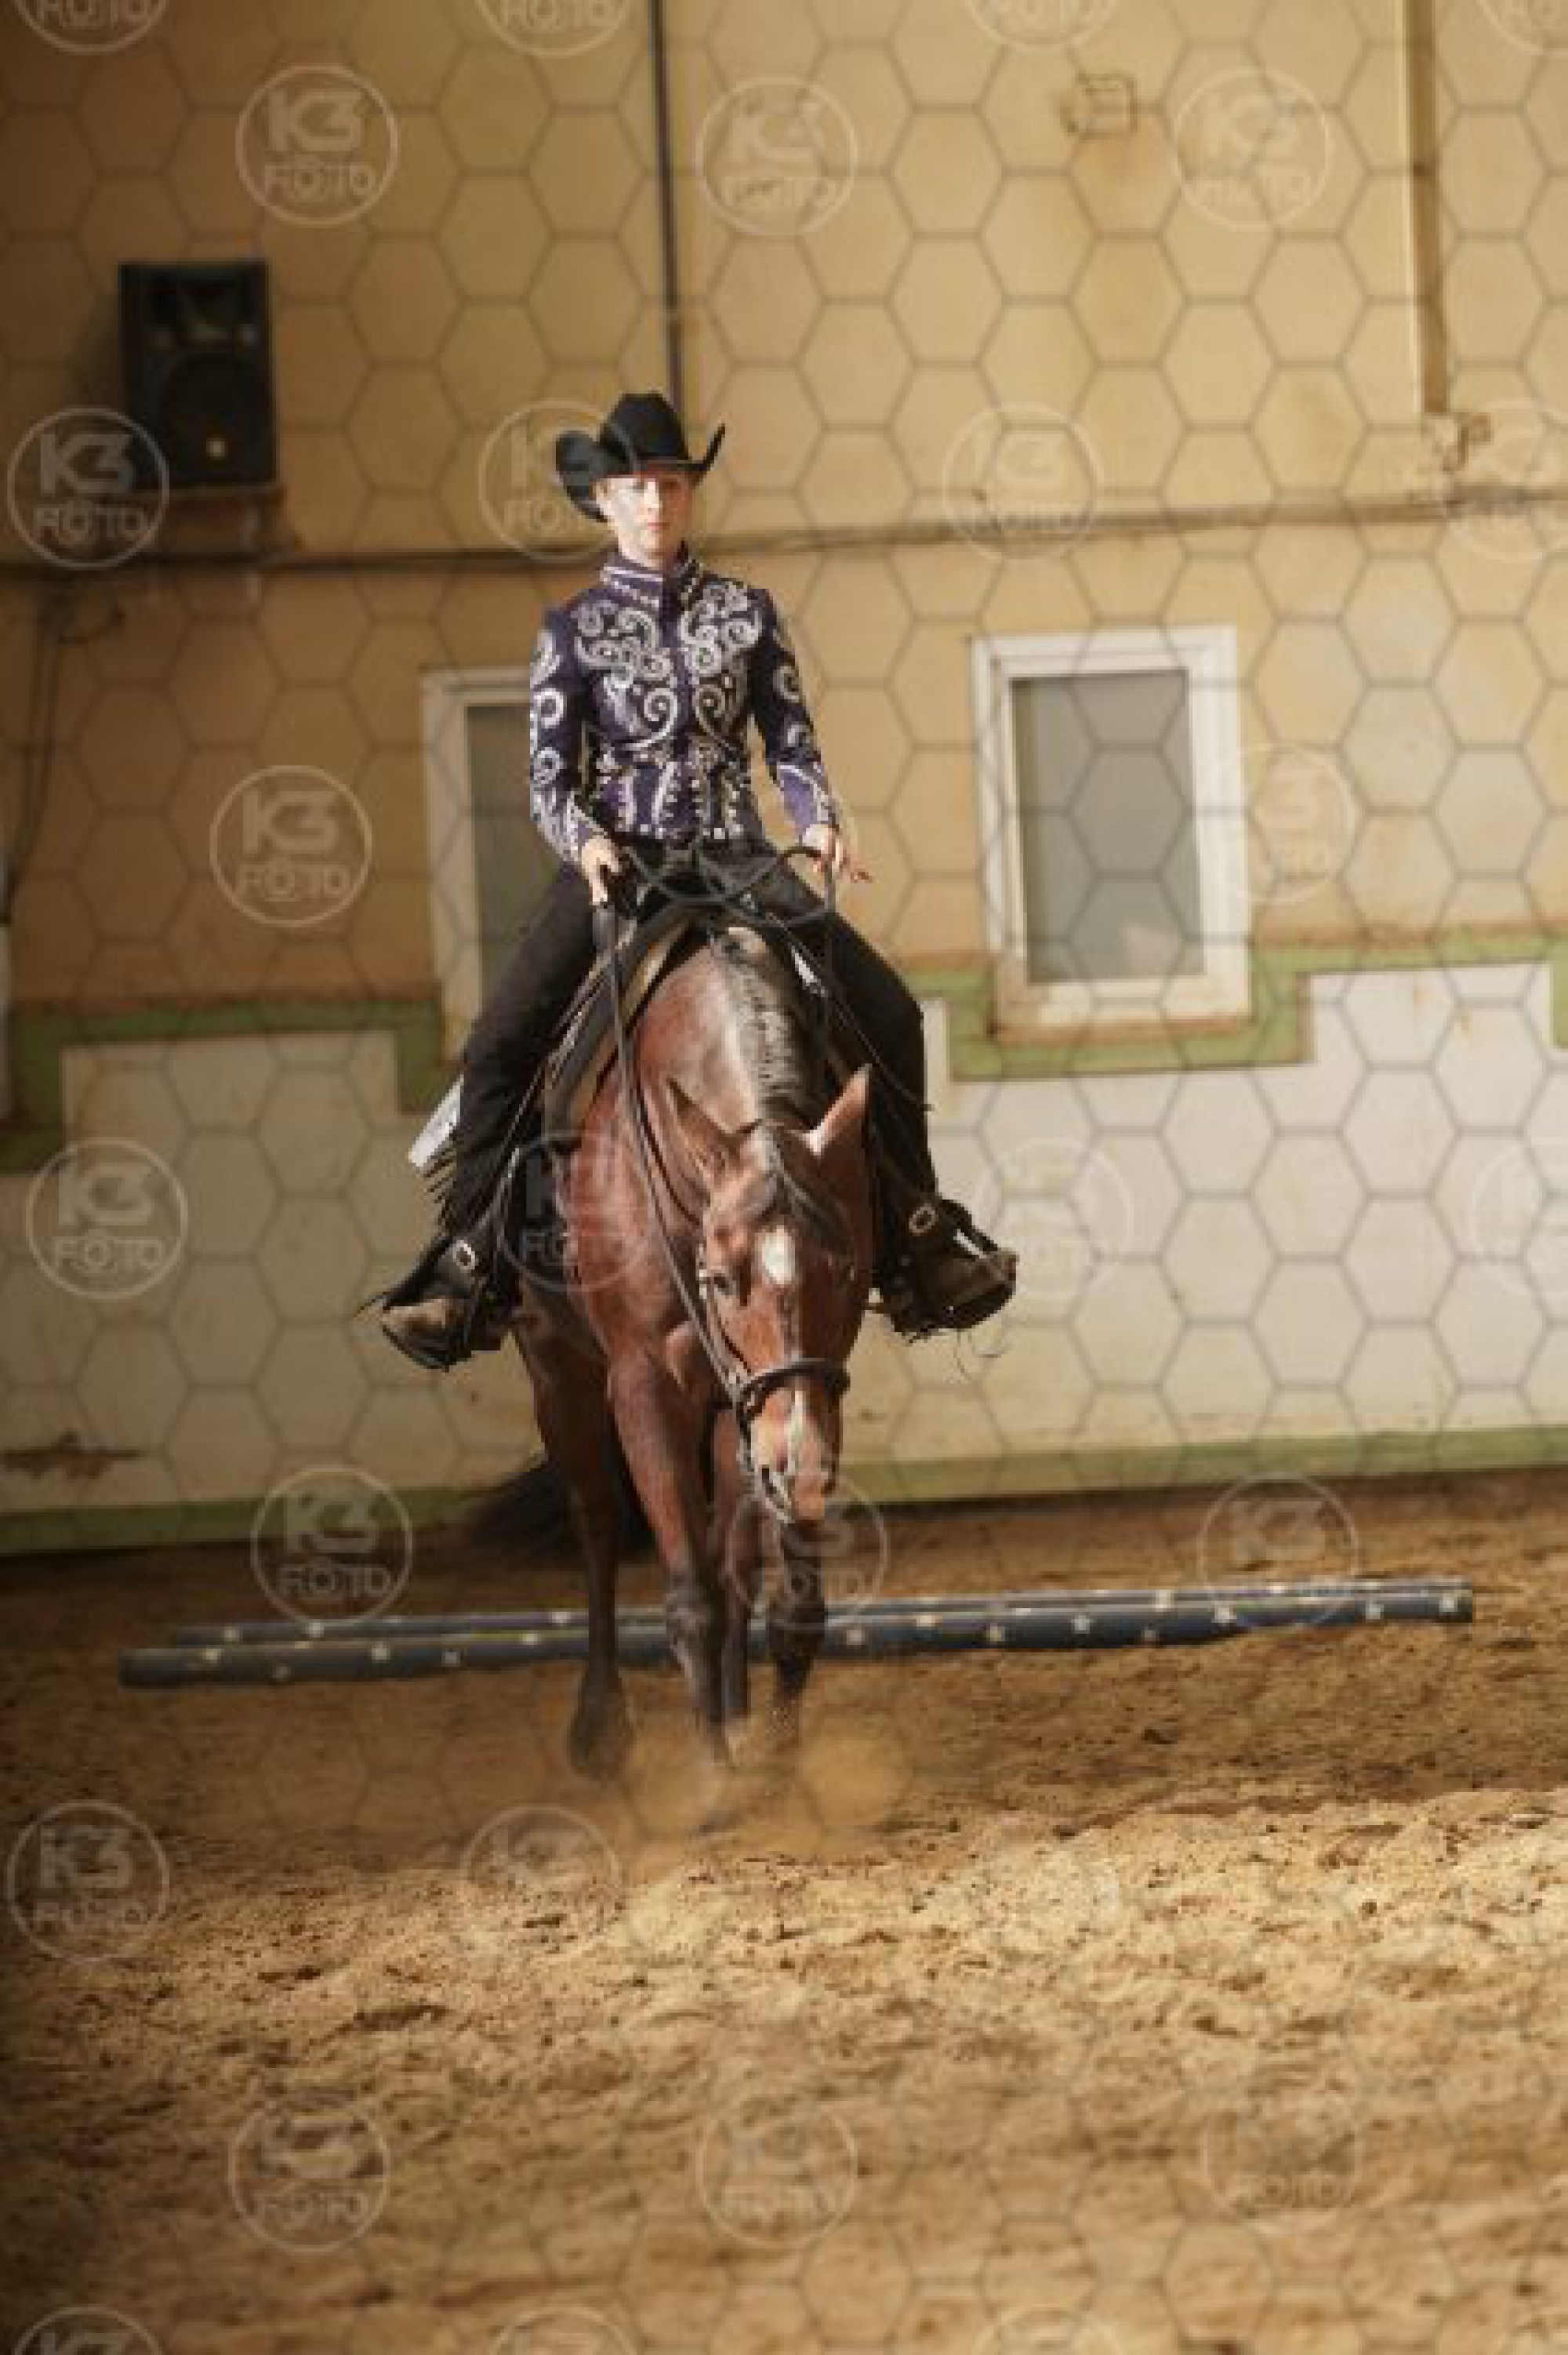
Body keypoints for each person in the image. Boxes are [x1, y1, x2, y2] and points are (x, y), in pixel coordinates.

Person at [378, 390, 1016, 1371]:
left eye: (670, 484)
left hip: (737, 862)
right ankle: (470, 1258)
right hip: (622, 866)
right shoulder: (571, 630)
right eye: (635, 487)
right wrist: (584, 839)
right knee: (501, 1039)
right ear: (604, 500)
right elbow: (548, 778)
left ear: (687, 494)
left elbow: (789, 741)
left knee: (890, 1013)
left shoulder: (746, 615)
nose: (654, 502)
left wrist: (817, 818)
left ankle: (919, 1234)